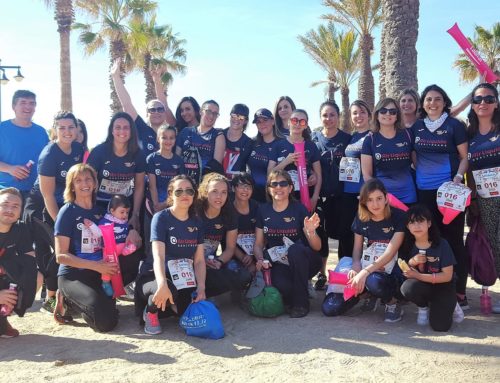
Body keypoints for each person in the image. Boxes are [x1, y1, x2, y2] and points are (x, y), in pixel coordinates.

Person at [55, 164, 141, 331]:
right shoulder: (67, 211)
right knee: (105, 323)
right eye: (78, 180)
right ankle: (68, 302)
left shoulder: (102, 209)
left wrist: (131, 232)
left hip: (101, 270)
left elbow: (120, 226)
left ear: (95, 183)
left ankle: (103, 298)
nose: (84, 183)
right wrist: (97, 266)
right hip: (74, 274)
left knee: (134, 258)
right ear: (72, 186)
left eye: (88, 179)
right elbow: (60, 256)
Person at [410, 84, 469, 309]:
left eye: (437, 99)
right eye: (428, 99)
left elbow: (465, 157)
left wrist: (457, 177)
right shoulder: (416, 127)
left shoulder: (455, 125)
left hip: (450, 193)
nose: (432, 103)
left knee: (454, 241)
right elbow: (414, 157)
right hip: (424, 193)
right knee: (430, 240)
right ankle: (435, 289)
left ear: (445, 102)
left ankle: (460, 292)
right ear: (422, 104)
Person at [23, 111, 84, 314]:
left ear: (76, 129)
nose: (67, 131)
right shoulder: (49, 154)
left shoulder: (78, 148)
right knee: (58, 249)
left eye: (71, 127)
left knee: (56, 251)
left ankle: (60, 295)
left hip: (62, 205)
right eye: (62, 128)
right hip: (41, 206)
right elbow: (47, 195)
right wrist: (61, 224)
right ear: (55, 130)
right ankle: (50, 299)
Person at [135, 175, 205, 334]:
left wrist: (201, 287)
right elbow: (158, 257)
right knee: (169, 290)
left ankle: (164, 307)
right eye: (179, 191)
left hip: (181, 277)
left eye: (189, 190)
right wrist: (162, 284)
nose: (185, 195)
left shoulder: (197, 222)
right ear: (170, 194)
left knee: (188, 312)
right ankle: (150, 311)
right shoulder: (161, 218)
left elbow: (199, 260)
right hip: (153, 276)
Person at [253, 170, 322, 318]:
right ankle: (298, 290)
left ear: (290, 188)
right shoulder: (263, 210)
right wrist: (260, 259)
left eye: (283, 183)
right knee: (283, 287)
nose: (279, 187)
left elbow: (317, 247)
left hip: (305, 261)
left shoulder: (299, 209)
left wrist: (311, 232)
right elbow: (258, 244)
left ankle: (301, 304)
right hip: (280, 264)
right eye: (274, 184)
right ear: (269, 188)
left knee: (295, 250)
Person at [348, 178, 406, 322]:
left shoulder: (398, 217)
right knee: (333, 306)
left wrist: (365, 272)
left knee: (373, 281)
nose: (375, 204)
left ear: (386, 198)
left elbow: (390, 252)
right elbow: (357, 248)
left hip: (393, 269)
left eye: (379, 198)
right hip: (369, 265)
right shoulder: (361, 217)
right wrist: (356, 264)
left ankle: (392, 302)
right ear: (364, 202)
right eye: (370, 200)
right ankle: (369, 296)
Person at [399, 205, 463, 331]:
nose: (416, 226)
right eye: (412, 222)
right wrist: (412, 262)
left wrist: (417, 275)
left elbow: (447, 276)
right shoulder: (407, 244)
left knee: (440, 327)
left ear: (429, 223)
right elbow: (404, 266)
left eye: (421, 221)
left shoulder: (442, 244)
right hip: (423, 286)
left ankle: (452, 304)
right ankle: (423, 307)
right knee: (407, 288)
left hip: (444, 286)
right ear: (407, 226)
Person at [465, 83, 500, 313]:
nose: (483, 104)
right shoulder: (468, 134)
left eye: (488, 99)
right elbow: (467, 169)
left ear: (496, 103)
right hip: (484, 201)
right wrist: (473, 200)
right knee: (492, 248)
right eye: (477, 100)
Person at [311, 101, 351, 290]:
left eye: (332, 115)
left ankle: (342, 273)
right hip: (319, 196)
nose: (329, 119)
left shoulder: (347, 139)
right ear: (320, 117)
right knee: (322, 235)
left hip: (343, 196)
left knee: (344, 235)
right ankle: (321, 274)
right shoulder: (314, 139)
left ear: (338, 116)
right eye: (325, 115)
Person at [87, 112, 146, 233]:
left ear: (131, 131)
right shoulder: (99, 151)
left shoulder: (138, 154)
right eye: (118, 127)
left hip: (125, 208)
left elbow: (139, 185)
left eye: (126, 128)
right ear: (112, 130)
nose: (122, 131)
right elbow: (87, 182)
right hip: (100, 205)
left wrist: (135, 214)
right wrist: (89, 209)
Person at [196, 173, 252, 296]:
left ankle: (205, 293)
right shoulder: (194, 212)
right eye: (214, 191)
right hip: (189, 264)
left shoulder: (230, 214)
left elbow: (230, 248)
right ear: (205, 192)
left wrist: (219, 262)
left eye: (223, 192)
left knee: (243, 277)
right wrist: (201, 262)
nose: (219, 196)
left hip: (211, 265)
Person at [111, 59, 175, 157]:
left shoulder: (172, 132)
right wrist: (116, 77)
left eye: (160, 109)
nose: (156, 112)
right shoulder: (141, 128)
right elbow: (127, 104)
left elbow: (164, 102)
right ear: (146, 114)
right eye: (152, 110)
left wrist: (157, 82)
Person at [361, 98, 416, 205]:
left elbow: (418, 164)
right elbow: (367, 175)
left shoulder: (408, 135)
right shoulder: (370, 139)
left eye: (392, 111)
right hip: (383, 198)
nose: (388, 114)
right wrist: (378, 196)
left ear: (397, 116)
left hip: (409, 195)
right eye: (383, 111)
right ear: (377, 115)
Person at [0, 188, 37, 338]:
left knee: (36, 275)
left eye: (15, 206)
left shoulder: (20, 228)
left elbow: (29, 259)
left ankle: (3, 318)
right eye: (5, 204)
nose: (10, 209)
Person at [338, 100, 373, 262]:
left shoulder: (373, 136)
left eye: (362, 112)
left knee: (369, 234)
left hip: (364, 194)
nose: (358, 116)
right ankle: (344, 270)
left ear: (369, 115)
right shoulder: (351, 138)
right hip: (347, 192)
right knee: (346, 233)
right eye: (355, 113)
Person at [268, 109, 322, 212]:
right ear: (288, 123)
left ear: (306, 125)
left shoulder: (311, 146)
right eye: (294, 120)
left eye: (302, 121)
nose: (297, 124)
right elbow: (269, 173)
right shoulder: (278, 145)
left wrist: (315, 197)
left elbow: (319, 175)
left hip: (306, 197)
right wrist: (285, 162)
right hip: (282, 197)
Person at [0, 90, 49, 200]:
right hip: (5, 192)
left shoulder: (41, 132)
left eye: (32, 103)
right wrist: (10, 169)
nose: (28, 106)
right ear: (14, 107)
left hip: (35, 194)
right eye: (23, 102)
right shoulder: (2, 128)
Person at [176, 100, 225, 183]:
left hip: (204, 185)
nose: (211, 116)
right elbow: (176, 159)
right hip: (183, 183)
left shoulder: (218, 136)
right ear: (201, 112)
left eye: (215, 113)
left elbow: (215, 167)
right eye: (208, 111)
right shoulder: (185, 132)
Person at [97, 194, 136, 297]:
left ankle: (126, 250)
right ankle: (105, 282)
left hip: (122, 246)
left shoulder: (124, 222)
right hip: (109, 249)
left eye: (127, 212)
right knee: (108, 265)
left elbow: (128, 233)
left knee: (133, 247)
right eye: (122, 212)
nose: (125, 215)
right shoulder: (106, 221)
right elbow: (100, 232)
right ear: (112, 211)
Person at [246, 108, 284, 202]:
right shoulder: (252, 143)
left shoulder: (283, 143)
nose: (262, 124)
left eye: (265, 120)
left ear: (273, 121)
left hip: (274, 197)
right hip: (251, 196)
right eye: (258, 122)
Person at [146, 125, 185, 214]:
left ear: (175, 140)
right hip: (154, 205)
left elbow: (180, 187)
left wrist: (165, 204)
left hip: (172, 205)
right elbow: (152, 186)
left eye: (171, 138)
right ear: (158, 139)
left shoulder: (179, 161)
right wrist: (156, 205)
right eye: (164, 137)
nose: (168, 141)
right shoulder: (151, 159)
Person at [231, 173, 258, 274]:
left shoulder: (257, 207)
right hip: (234, 255)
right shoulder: (228, 210)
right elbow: (229, 242)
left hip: (256, 253)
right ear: (233, 188)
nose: (245, 190)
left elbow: (263, 236)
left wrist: (252, 255)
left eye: (248, 187)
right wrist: (244, 258)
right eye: (241, 186)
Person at [222, 104, 253, 179]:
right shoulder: (219, 134)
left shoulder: (248, 142)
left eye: (241, 117)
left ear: (246, 121)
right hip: (219, 185)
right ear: (230, 116)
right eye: (234, 115)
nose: (237, 119)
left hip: (237, 185)